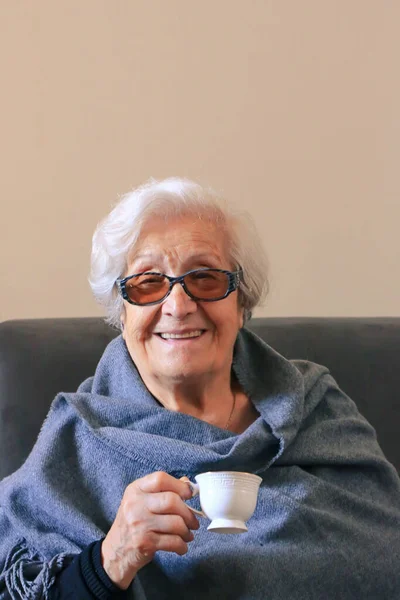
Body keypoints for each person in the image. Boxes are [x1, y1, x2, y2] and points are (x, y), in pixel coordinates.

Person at [0, 177, 399, 600]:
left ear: (241, 302)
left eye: (205, 278)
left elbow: (385, 549)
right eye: (148, 283)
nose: (178, 305)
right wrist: (110, 559)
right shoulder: (76, 440)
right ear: (122, 312)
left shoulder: (316, 403)